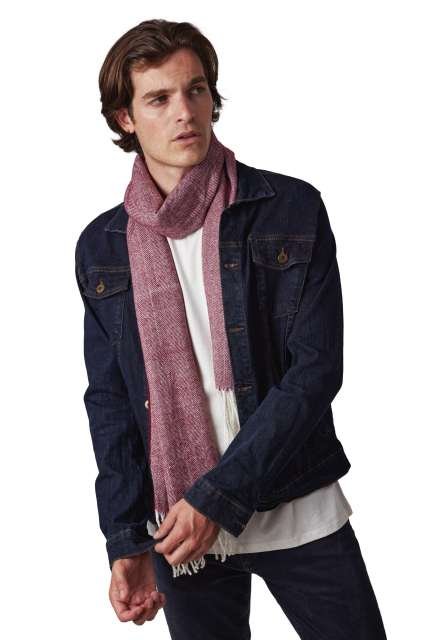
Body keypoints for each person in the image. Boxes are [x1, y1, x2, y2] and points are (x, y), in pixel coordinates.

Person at [75, 18, 388, 638]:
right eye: (159, 99)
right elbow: (110, 402)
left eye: (195, 90)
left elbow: (316, 370)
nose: (185, 112)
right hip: (181, 529)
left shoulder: (289, 210)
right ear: (124, 118)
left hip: (292, 503)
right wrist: (126, 539)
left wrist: (217, 496)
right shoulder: (103, 246)